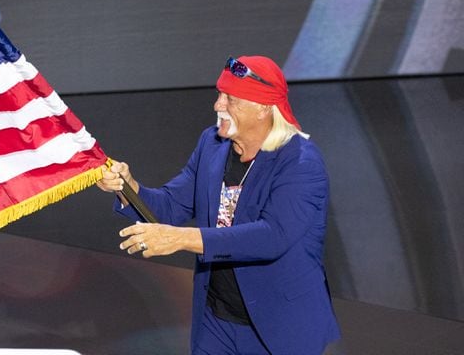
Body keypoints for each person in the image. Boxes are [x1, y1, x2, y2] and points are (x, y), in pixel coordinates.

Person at [97, 55, 340, 354]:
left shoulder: (301, 163)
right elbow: (171, 205)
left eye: (231, 99)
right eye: (220, 94)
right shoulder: (212, 145)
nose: (217, 105)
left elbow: (271, 237)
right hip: (216, 322)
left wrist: (180, 238)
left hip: (278, 327)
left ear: (263, 107)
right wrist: (128, 187)